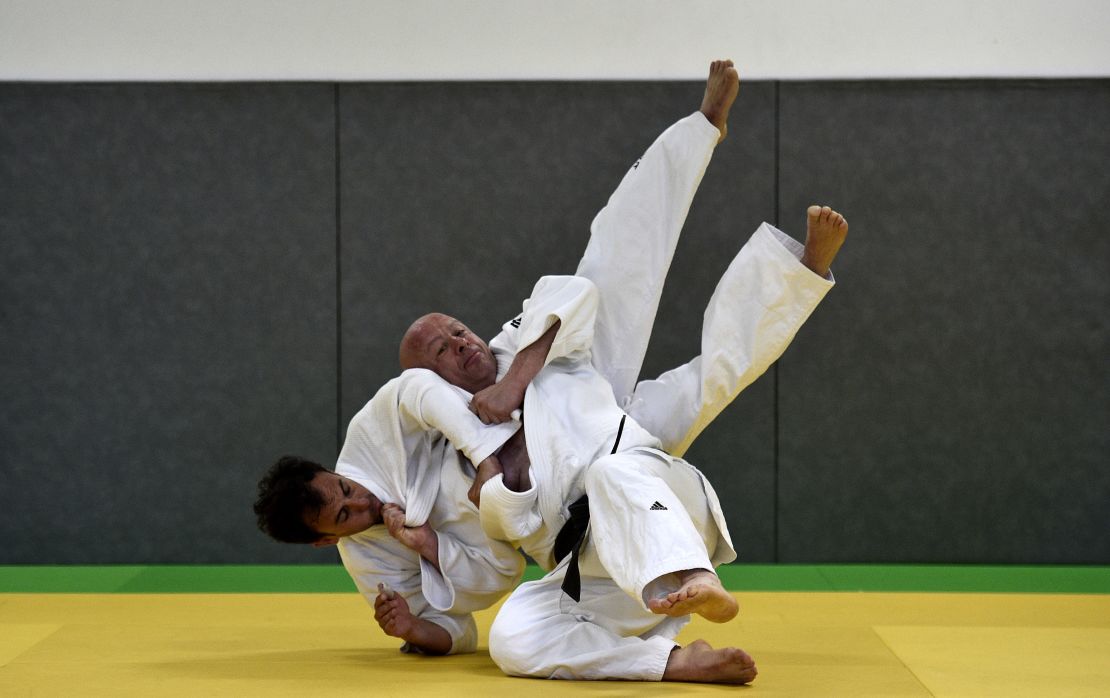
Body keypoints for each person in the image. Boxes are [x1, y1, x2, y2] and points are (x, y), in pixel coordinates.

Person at [254, 60, 847, 682]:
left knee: (618, 253)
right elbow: (479, 593)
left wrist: (509, 393)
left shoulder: (495, 355)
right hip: (582, 494)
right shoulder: (393, 537)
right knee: (710, 382)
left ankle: (707, 134)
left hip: (587, 411)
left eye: (458, 332)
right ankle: (667, 657)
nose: (361, 500)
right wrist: (422, 583)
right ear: (328, 541)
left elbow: (428, 385)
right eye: (344, 514)